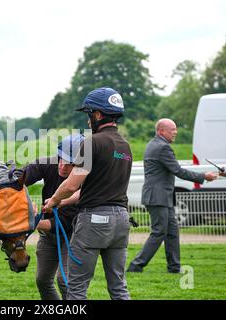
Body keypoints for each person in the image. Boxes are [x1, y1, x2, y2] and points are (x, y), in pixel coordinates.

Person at [43, 87, 132, 300]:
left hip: (94, 221)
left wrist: (55, 199)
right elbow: (93, 190)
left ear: (98, 115)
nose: (88, 120)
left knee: (76, 288)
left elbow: (72, 185)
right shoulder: (125, 146)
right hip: (121, 221)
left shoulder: (92, 142)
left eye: (89, 114)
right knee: (119, 287)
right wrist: (61, 204)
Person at [127, 119, 217, 274]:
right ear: (161, 131)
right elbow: (178, 171)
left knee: (172, 232)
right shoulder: (163, 147)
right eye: (173, 129)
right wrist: (203, 176)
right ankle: (136, 265)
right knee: (159, 232)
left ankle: (174, 267)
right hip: (158, 197)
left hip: (160, 196)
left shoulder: (154, 144)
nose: (176, 132)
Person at [23, 134, 84, 300]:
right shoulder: (48, 163)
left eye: (70, 164)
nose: (63, 166)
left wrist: (31, 221)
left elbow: (63, 224)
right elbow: (21, 177)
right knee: (42, 280)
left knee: (64, 281)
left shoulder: (83, 182)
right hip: (49, 236)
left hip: (72, 234)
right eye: (62, 159)